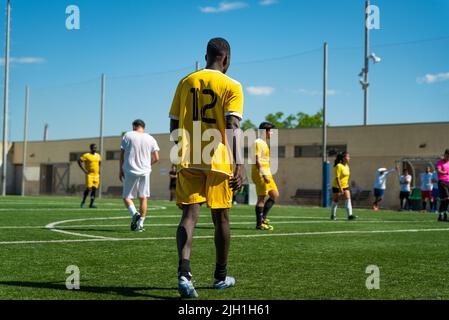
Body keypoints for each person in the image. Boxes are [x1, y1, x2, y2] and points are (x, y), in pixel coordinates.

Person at [169, 38, 244, 298]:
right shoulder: (232, 85)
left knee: (189, 216)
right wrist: (240, 164)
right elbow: (232, 125)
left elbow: (175, 124)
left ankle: (184, 273)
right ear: (226, 59)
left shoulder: (185, 81)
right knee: (221, 218)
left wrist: (177, 155)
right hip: (218, 159)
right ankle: (220, 278)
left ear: (205, 56)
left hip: (190, 156)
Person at [120, 119, 160, 232]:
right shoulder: (151, 138)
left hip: (130, 170)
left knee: (127, 197)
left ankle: (134, 213)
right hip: (145, 171)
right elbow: (156, 158)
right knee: (143, 198)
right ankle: (140, 224)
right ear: (143, 127)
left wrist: (120, 169)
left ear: (134, 126)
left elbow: (122, 155)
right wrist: (147, 164)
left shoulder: (127, 135)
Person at [251, 122, 279, 230]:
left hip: (266, 172)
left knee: (274, 195)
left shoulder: (264, 143)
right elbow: (257, 161)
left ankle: (263, 218)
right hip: (260, 173)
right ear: (264, 132)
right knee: (261, 198)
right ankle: (259, 224)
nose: (272, 133)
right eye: (270, 131)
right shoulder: (257, 142)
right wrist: (264, 174)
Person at [330, 152, 356, 220]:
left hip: (345, 186)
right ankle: (333, 215)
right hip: (337, 186)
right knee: (336, 200)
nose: (349, 158)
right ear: (343, 158)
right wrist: (340, 188)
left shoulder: (347, 165)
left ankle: (350, 215)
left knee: (348, 198)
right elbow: (337, 178)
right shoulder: (338, 166)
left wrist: (344, 187)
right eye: (348, 157)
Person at [78, 144, 101, 208]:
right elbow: (79, 161)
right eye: (93, 148)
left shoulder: (98, 156)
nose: (95, 149)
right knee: (88, 189)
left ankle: (91, 204)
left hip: (96, 175)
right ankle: (83, 201)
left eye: (96, 148)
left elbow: (99, 163)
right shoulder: (86, 155)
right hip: (89, 175)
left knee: (94, 189)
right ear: (90, 148)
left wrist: (99, 171)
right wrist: (84, 170)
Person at [436, 149, 449, 222]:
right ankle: (444, 215)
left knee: (445, 199)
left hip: (448, 182)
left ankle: (441, 215)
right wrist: (445, 173)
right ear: (444, 155)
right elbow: (438, 171)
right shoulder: (440, 162)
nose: (448, 158)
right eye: (447, 156)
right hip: (442, 182)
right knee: (447, 198)